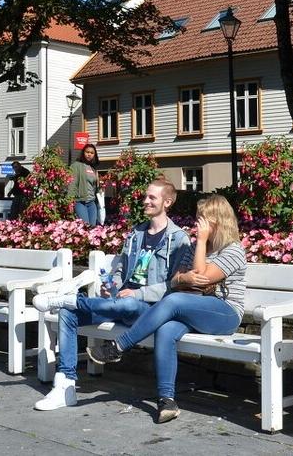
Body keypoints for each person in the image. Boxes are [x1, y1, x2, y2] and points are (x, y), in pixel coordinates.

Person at [31, 178, 191, 411]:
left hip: (148, 310)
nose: (145, 201)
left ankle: (74, 299)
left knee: (127, 305)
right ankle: (65, 387)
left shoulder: (178, 239)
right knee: (68, 314)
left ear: (167, 202)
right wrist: (112, 285)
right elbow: (121, 269)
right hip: (117, 303)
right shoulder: (136, 233)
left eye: (151, 197)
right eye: (145, 196)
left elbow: (174, 285)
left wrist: (137, 294)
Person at [86, 194, 248, 424]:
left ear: (218, 221)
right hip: (194, 310)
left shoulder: (232, 250)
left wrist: (200, 245)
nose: (197, 223)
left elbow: (200, 276)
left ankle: (118, 347)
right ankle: (167, 401)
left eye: (203, 219)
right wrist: (187, 275)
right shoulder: (195, 248)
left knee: (173, 301)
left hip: (225, 313)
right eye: (197, 218)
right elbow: (177, 279)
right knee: (167, 330)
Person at [68, 144, 100, 226]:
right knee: (85, 227)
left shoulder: (93, 168)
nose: (89, 154)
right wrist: (70, 201)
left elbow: (94, 187)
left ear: (94, 155)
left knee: (93, 228)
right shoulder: (76, 166)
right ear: (83, 153)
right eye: (87, 152)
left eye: (92, 153)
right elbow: (72, 184)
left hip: (92, 203)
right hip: (80, 202)